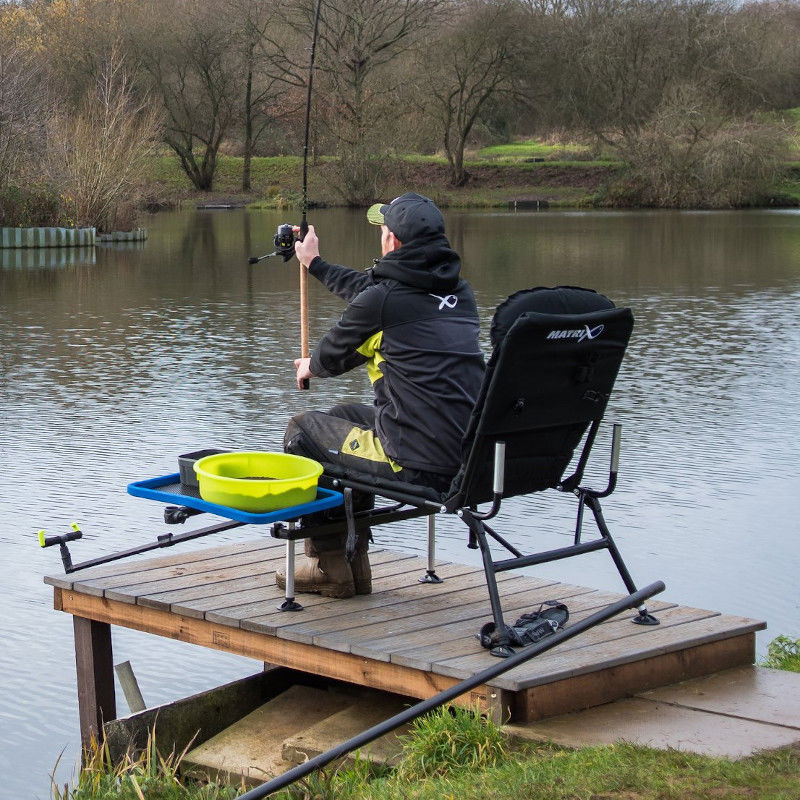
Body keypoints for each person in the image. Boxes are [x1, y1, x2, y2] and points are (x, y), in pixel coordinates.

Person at [277, 192, 485, 599]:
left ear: (392, 242)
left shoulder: (384, 302)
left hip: (414, 458)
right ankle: (354, 564)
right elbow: (369, 293)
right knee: (343, 416)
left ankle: (327, 566)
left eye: (383, 230)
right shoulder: (460, 293)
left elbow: (329, 357)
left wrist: (308, 367)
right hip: (465, 454)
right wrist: (314, 264)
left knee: (302, 432)